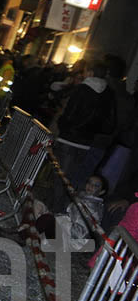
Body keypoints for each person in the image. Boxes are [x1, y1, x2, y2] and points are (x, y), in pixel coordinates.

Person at [51, 57, 117, 212]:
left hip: (68, 139)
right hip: (86, 143)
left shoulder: (82, 89)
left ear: (90, 72)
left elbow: (70, 113)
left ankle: (52, 213)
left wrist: (63, 125)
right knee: (72, 180)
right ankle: (63, 213)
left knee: (60, 178)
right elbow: (109, 123)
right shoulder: (108, 94)